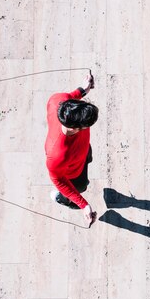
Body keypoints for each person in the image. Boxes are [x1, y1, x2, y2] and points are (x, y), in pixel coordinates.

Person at [45, 73, 99, 225]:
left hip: (83, 152)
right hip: (72, 173)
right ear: (76, 128)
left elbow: (71, 97)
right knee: (80, 187)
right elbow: (59, 180)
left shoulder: (58, 100)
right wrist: (84, 205)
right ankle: (62, 199)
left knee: (88, 158)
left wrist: (83, 90)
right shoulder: (57, 155)